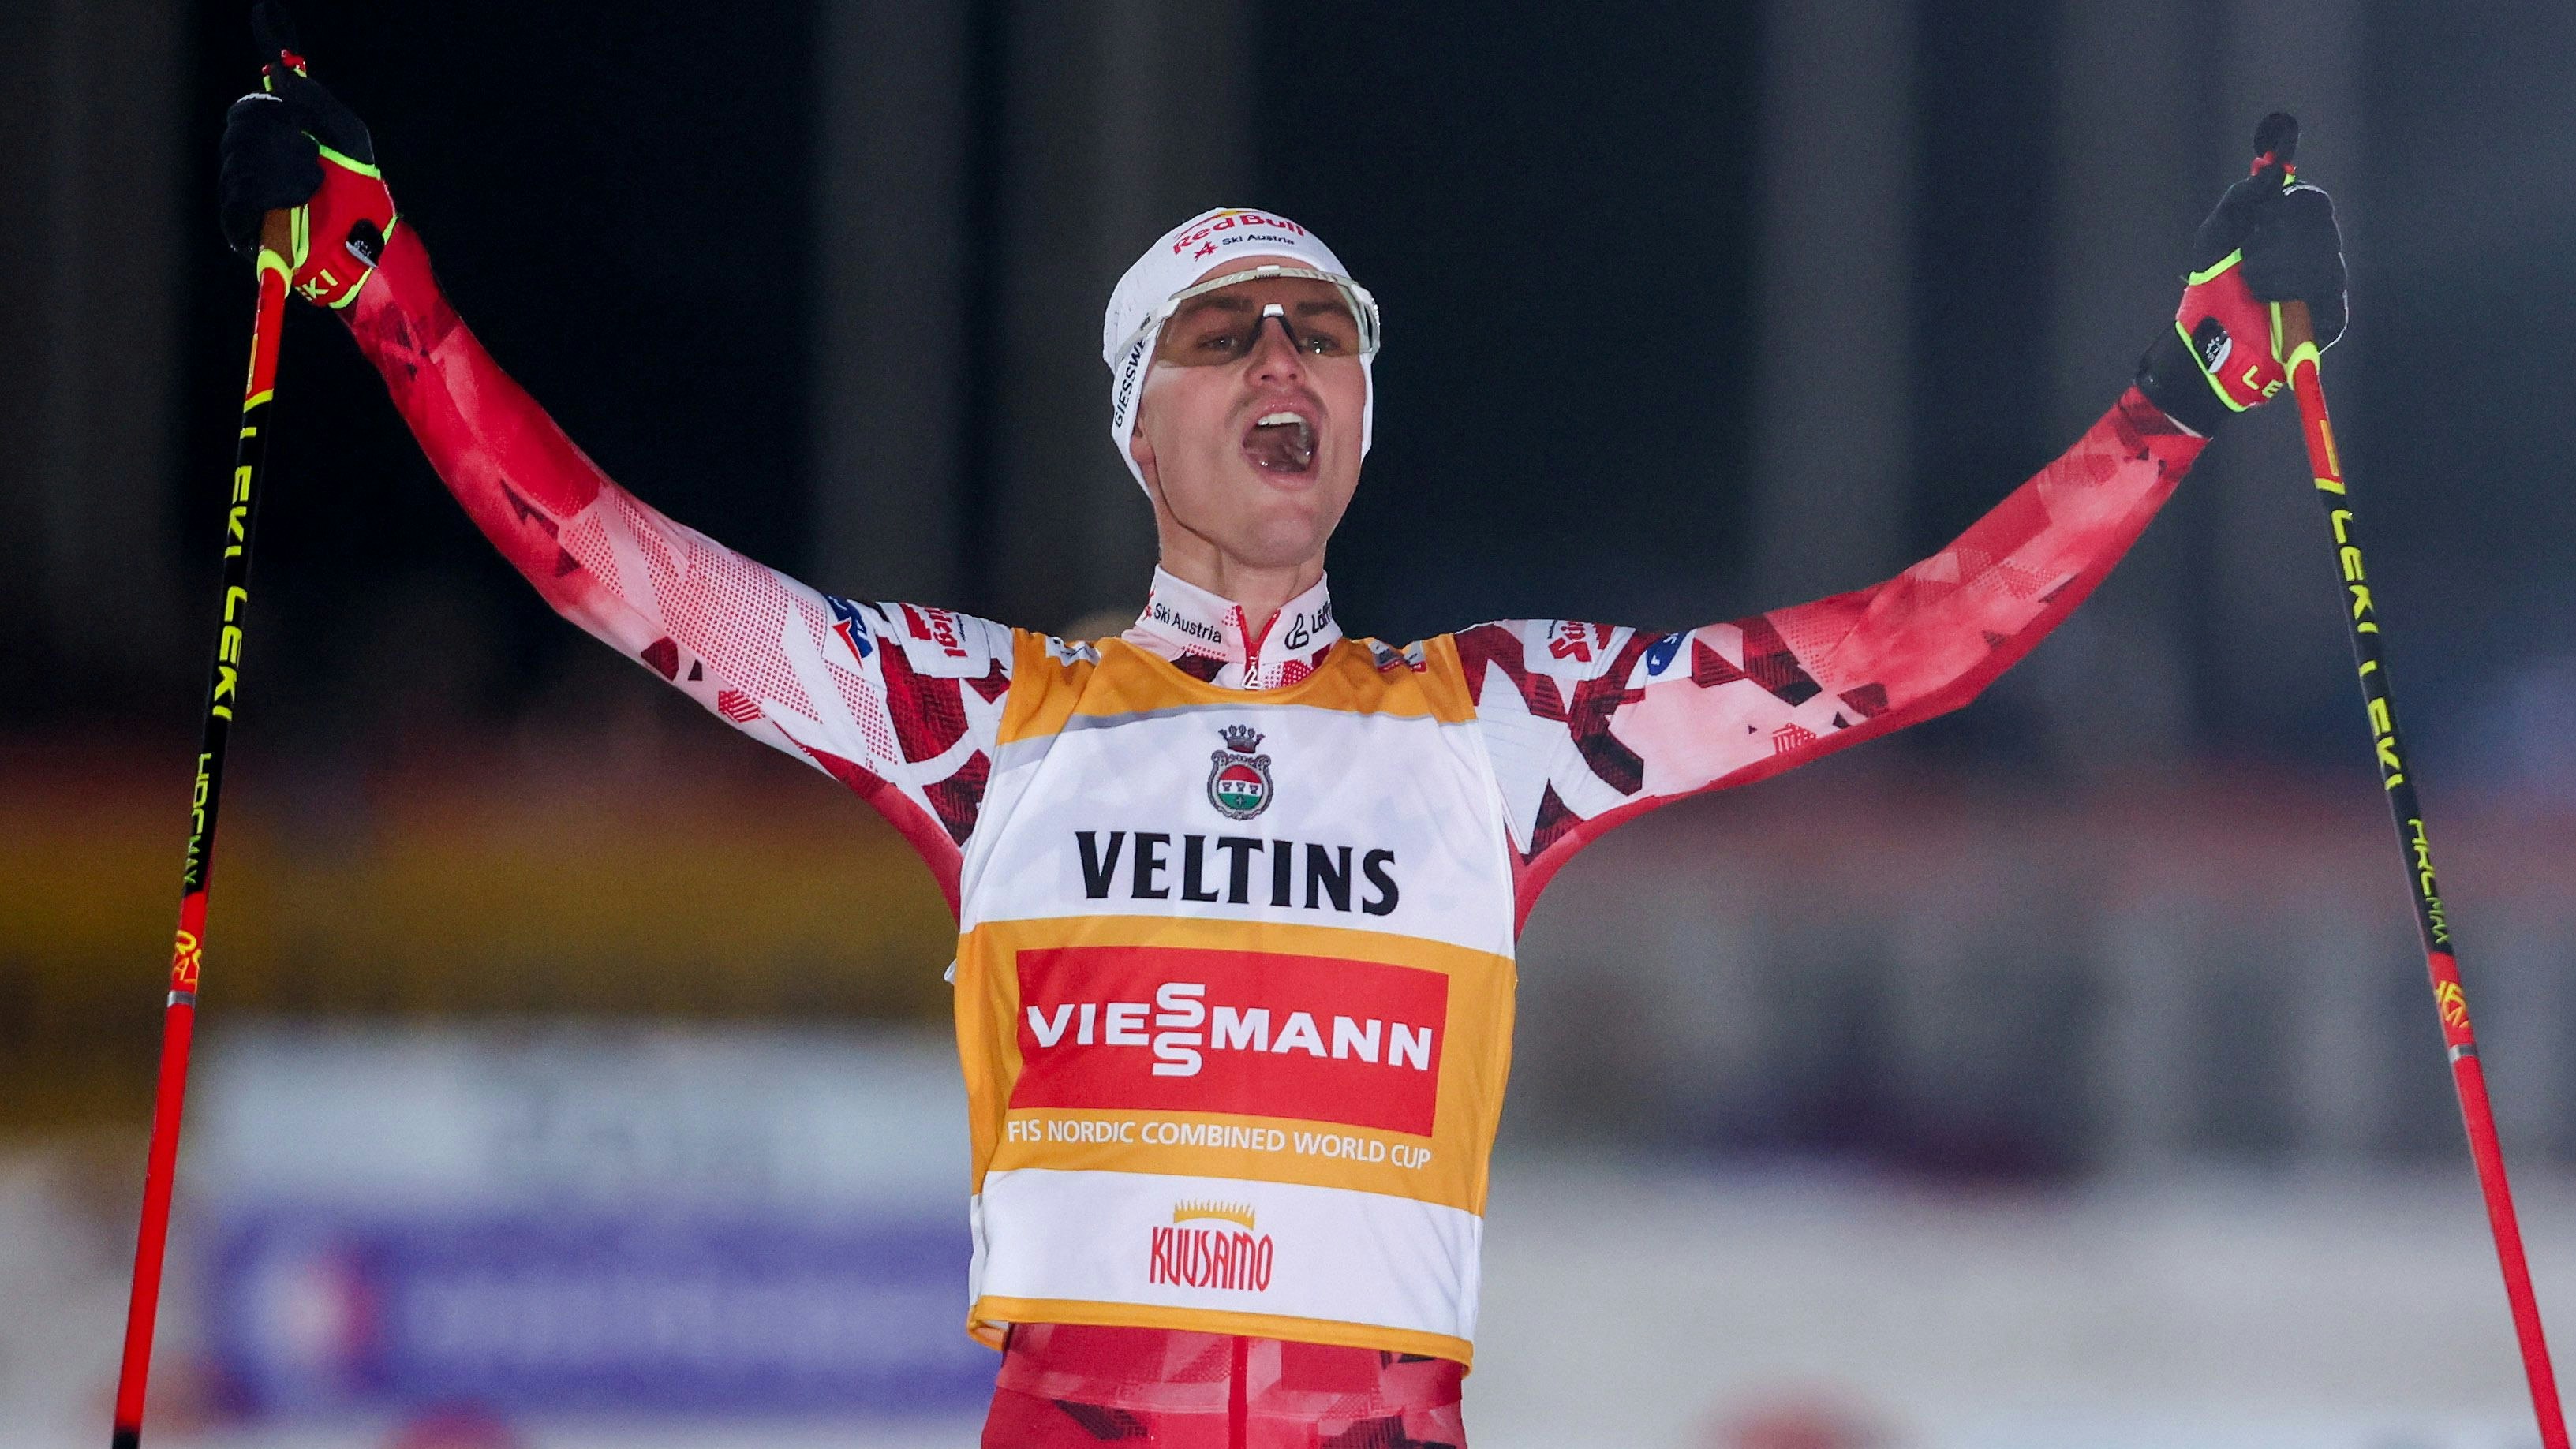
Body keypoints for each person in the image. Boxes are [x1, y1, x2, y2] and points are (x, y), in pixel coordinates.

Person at [219, 34, 2344, 1449]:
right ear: (1140, 422)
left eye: (1321, 332)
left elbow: (1906, 649)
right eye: (1223, 333)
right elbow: (618, 567)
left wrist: (2174, 400)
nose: (1283, 359)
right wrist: (386, 285)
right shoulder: (986, 722)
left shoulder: (1500, 726)